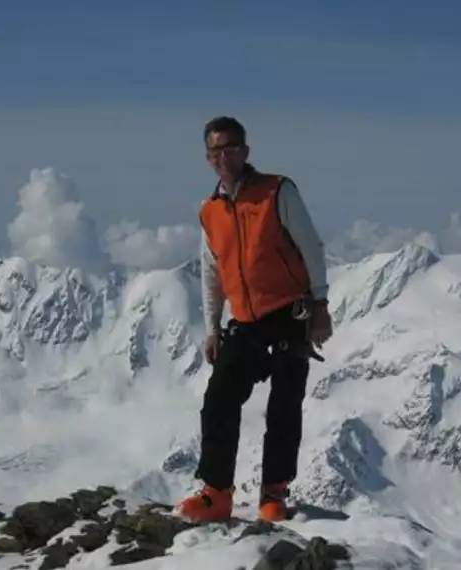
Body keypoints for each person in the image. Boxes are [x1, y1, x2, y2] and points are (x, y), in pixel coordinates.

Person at [176, 116, 333, 523]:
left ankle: (273, 494)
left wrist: (320, 305)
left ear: (245, 151)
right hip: (244, 321)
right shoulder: (210, 212)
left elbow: (310, 246)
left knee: (284, 408)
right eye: (214, 151)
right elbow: (213, 271)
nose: (222, 157)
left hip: (288, 313)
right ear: (207, 158)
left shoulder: (277, 191)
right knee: (219, 401)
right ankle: (216, 493)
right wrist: (212, 328)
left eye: (230, 148)